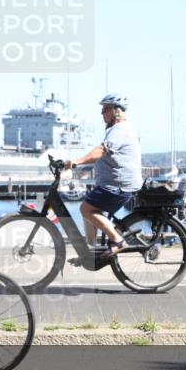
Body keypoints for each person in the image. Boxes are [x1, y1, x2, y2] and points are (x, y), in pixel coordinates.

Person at [65, 94, 142, 258]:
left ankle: (118, 241)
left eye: (105, 109)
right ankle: (90, 251)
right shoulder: (117, 130)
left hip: (118, 185)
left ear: (116, 111)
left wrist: (77, 161)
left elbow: (101, 151)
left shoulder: (120, 130)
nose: (102, 113)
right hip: (114, 183)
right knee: (89, 206)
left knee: (86, 209)